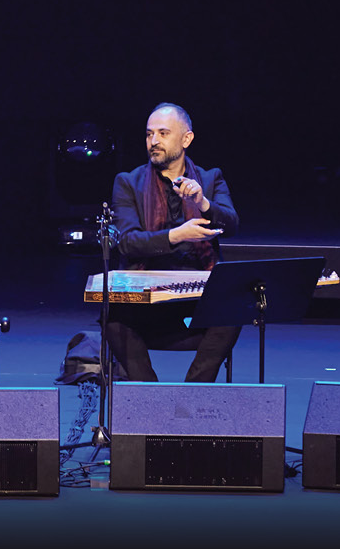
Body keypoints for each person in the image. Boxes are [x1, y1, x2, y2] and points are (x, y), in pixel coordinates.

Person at [103, 102, 240, 382]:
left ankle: (191, 395)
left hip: (196, 299)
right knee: (113, 319)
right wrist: (177, 235)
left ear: (186, 139)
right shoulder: (128, 182)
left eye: (163, 133)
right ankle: (150, 399)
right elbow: (127, 242)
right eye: (149, 134)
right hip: (148, 299)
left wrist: (202, 203)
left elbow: (232, 224)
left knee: (231, 313)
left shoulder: (211, 179)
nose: (154, 142)